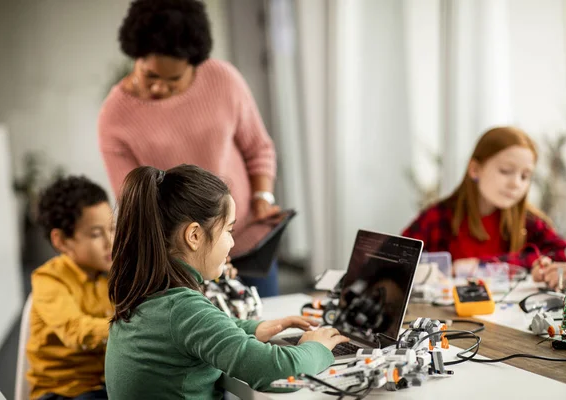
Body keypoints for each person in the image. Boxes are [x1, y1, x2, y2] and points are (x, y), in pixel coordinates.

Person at [105, 164, 349, 399]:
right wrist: (315, 347)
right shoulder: (183, 309)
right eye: (229, 231)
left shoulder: (145, 294)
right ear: (194, 235)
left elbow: (192, 332)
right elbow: (276, 372)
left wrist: (253, 329)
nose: (232, 243)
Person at [98, 0, 280, 296]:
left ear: (194, 63)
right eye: (151, 75)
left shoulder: (224, 80)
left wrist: (262, 196)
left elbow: (258, 148)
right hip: (185, 264)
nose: (159, 88)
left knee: (270, 327)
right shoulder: (114, 117)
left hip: (247, 242)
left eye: (174, 80)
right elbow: (135, 201)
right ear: (136, 56)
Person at [401, 126, 566, 290]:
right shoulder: (438, 217)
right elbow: (394, 259)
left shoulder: (528, 221)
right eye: (505, 171)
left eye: (525, 176)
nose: (516, 183)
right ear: (475, 170)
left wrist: (479, 266)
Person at [27, 177, 114, 400]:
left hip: (107, 384)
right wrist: (132, 328)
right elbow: (75, 330)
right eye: (96, 234)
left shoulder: (115, 273)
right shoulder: (49, 280)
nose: (110, 242)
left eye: (112, 228)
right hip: (63, 391)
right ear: (62, 241)